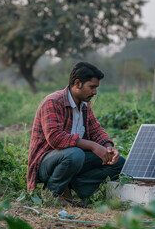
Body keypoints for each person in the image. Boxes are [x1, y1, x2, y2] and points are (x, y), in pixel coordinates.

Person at [27, 62, 125, 206]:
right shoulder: (53, 101)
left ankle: (75, 186)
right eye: (92, 87)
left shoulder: (84, 105)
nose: (95, 92)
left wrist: (108, 147)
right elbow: (55, 138)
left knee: (119, 163)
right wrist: (92, 146)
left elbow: (96, 130)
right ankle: (53, 192)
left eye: (96, 88)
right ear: (78, 83)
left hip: (71, 160)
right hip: (46, 162)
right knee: (75, 154)